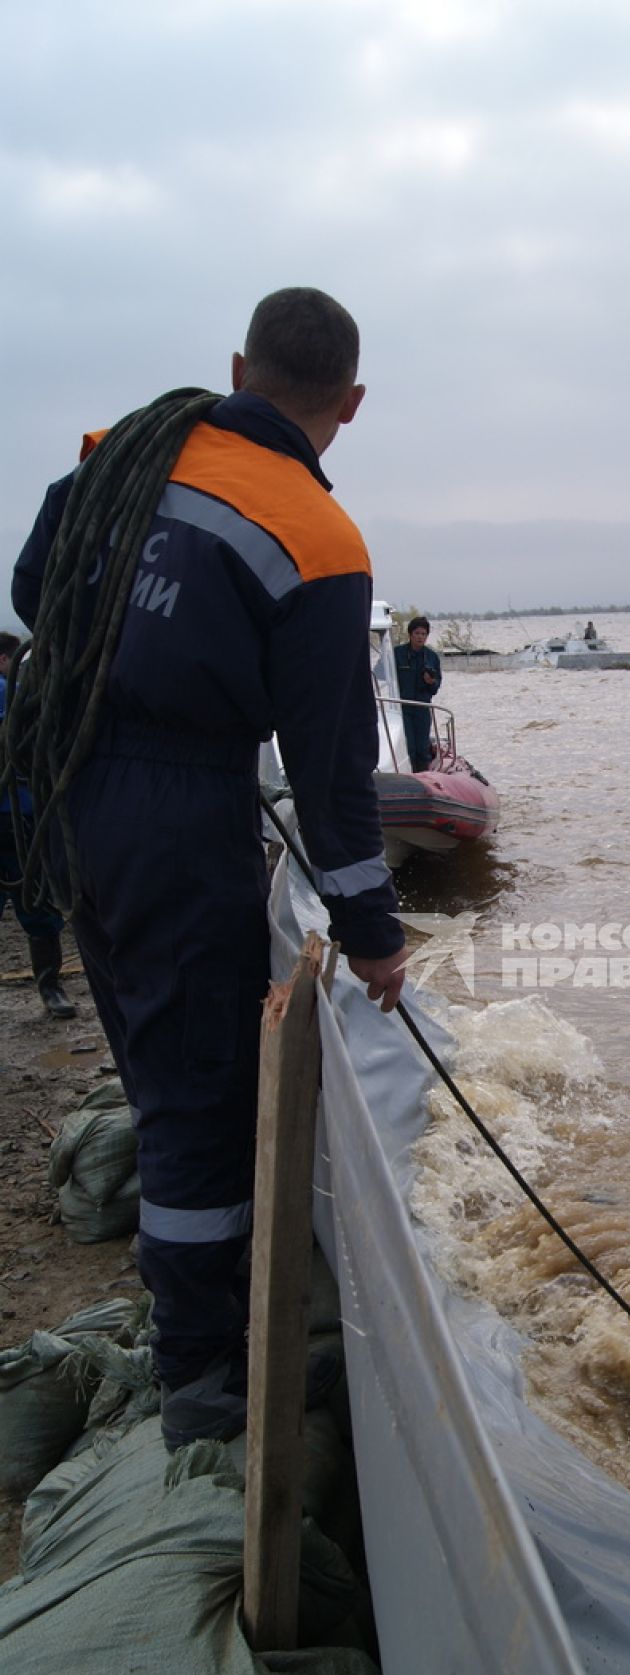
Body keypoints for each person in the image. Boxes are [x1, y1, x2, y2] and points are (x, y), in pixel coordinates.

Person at [10, 287, 407, 1449]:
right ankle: (203, 1383)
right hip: (181, 809)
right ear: (352, 402)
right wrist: (375, 933)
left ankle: (192, 1316)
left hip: (71, 786)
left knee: (146, 1047)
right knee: (197, 1102)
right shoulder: (317, 538)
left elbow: (34, 589)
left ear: (238, 364)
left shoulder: (121, 454)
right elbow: (329, 766)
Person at [0, 633, 75, 1017]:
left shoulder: (11, 693)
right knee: (36, 902)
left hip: (22, 814)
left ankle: (50, 984)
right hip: (19, 812)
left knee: (38, 903)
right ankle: (51, 987)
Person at [392, 614, 441, 771]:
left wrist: (430, 681)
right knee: (409, 747)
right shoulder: (396, 653)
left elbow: (436, 687)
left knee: (422, 748)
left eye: (423, 634)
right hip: (403, 708)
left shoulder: (432, 657)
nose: (420, 637)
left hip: (422, 707)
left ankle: (424, 778)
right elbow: (382, 675)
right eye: (417, 633)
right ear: (410, 634)